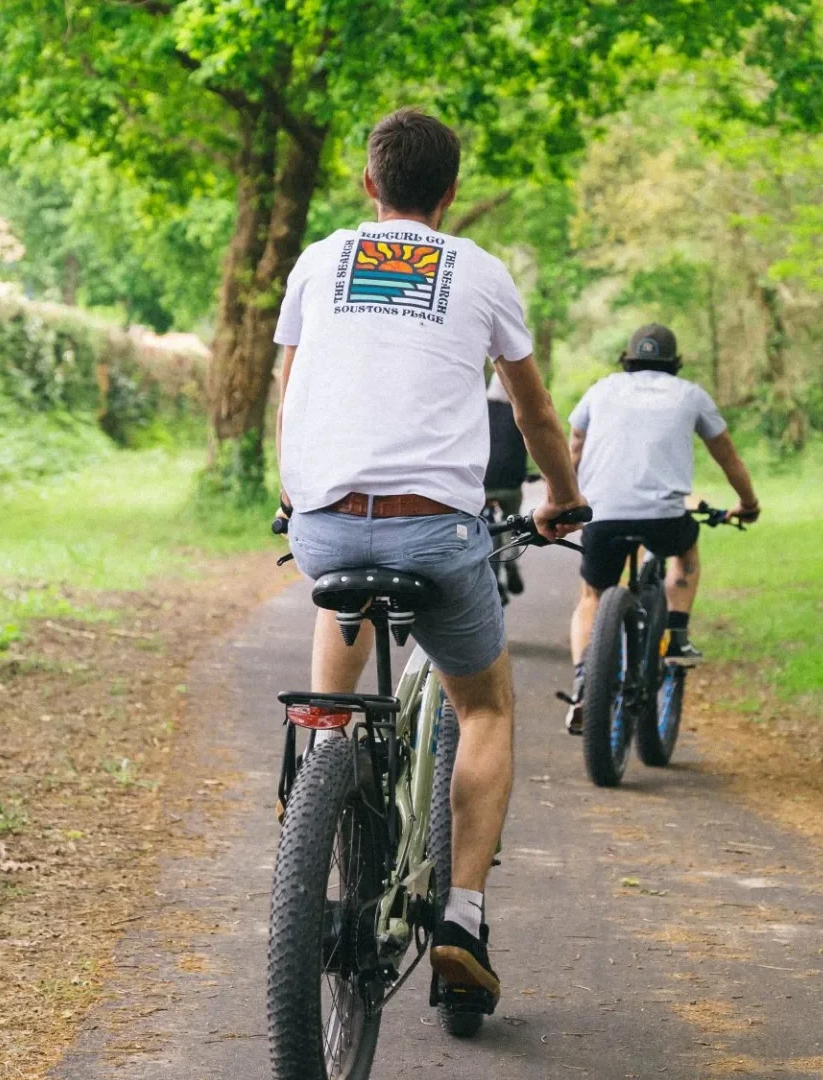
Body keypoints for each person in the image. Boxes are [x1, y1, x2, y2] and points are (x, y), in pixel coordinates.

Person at [272, 107, 587, 1013]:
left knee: (337, 677)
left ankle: (318, 811)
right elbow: (532, 417)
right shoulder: (482, 273)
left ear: (369, 183)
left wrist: (298, 496)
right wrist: (561, 497)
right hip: (436, 534)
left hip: (325, 524)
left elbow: (292, 390)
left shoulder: (318, 260)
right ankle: (462, 916)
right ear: (450, 195)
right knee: (483, 707)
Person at [562, 324, 759, 734]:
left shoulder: (600, 390)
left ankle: (584, 681)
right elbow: (728, 457)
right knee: (685, 552)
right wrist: (748, 504)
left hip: (602, 515)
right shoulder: (691, 395)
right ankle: (678, 633)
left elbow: (574, 448)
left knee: (590, 596)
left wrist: (562, 499)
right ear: (674, 363)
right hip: (665, 518)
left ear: (627, 359)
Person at [483, 373, 529, 597]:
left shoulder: (480, 410)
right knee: (513, 522)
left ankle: (486, 572)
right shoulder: (520, 411)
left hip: (483, 484)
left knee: (481, 525)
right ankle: (512, 560)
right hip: (511, 484)